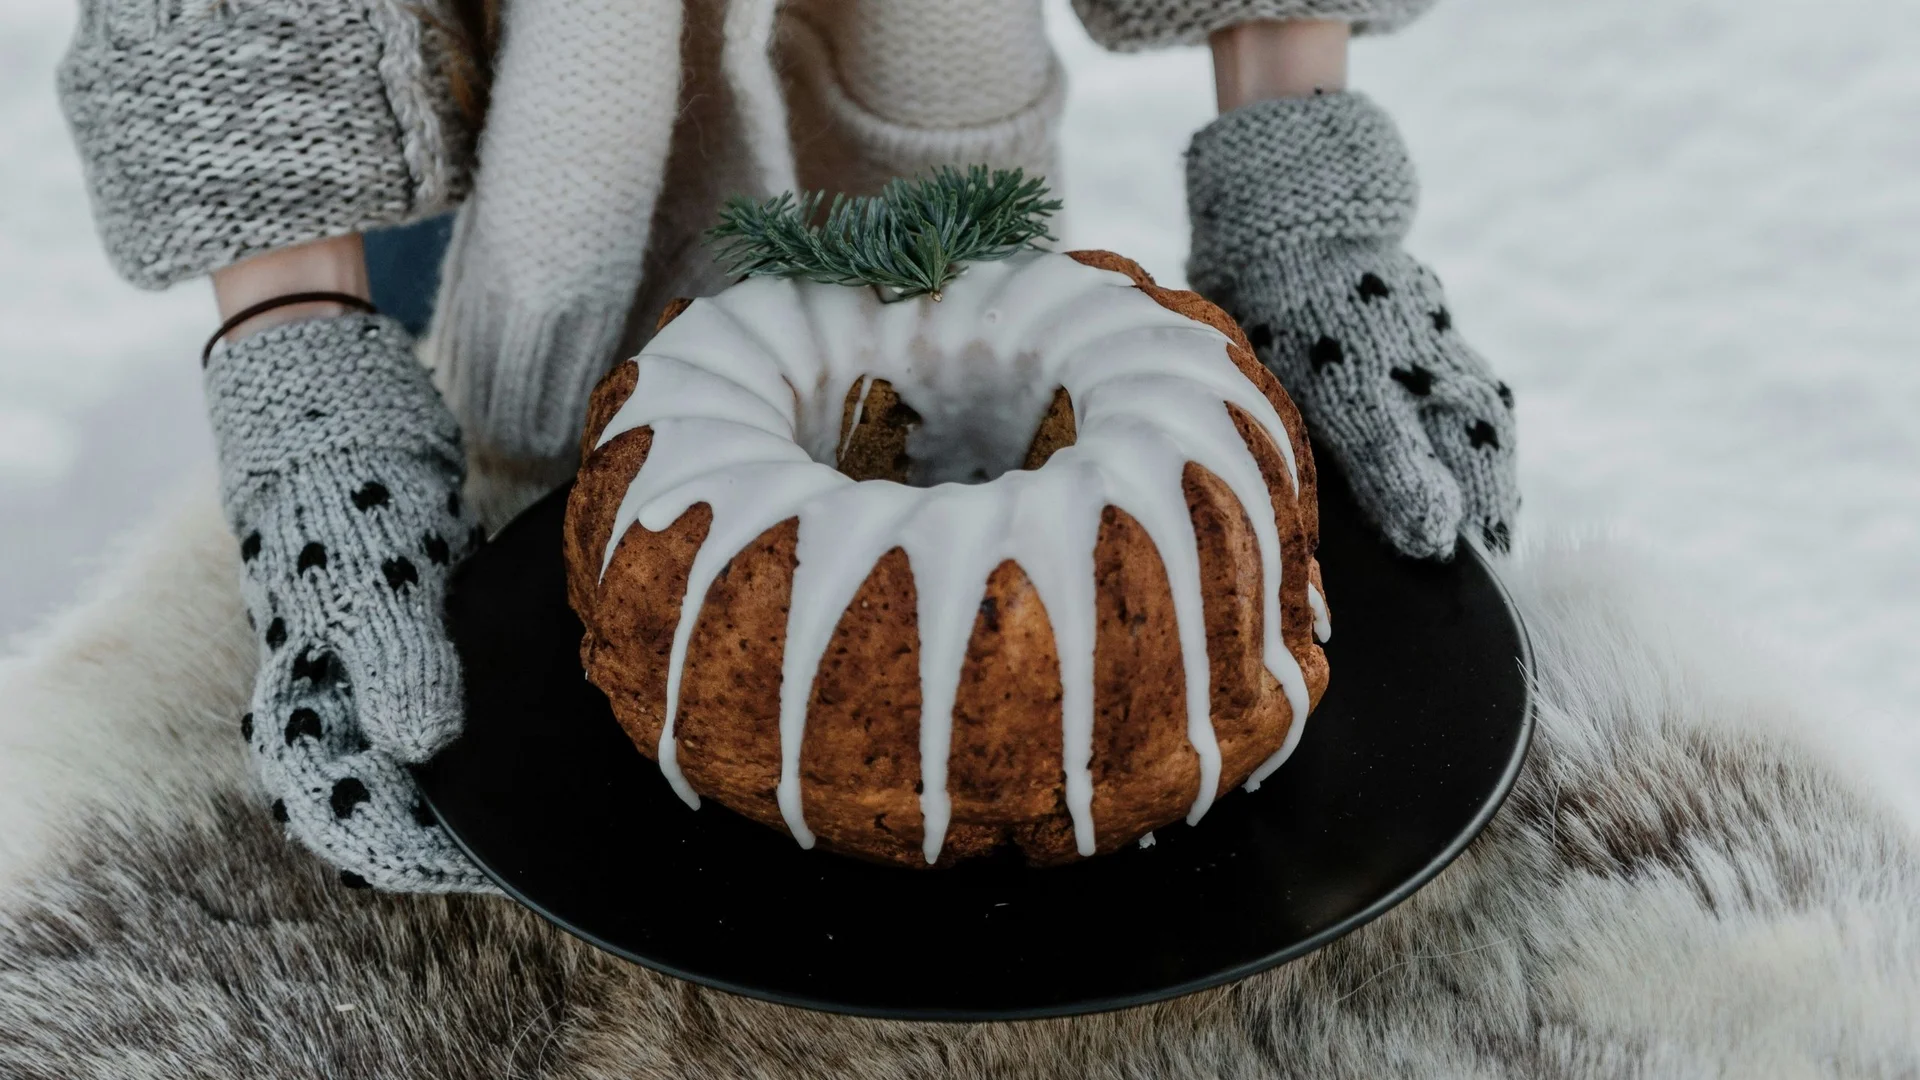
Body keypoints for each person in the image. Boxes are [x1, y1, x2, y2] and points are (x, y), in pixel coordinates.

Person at [55, 0, 1518, 892]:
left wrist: (1300, 170)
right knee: (542, 422)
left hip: (943, 161)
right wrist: (310, 359)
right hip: (530, 141)